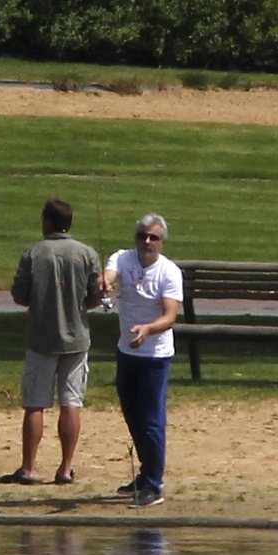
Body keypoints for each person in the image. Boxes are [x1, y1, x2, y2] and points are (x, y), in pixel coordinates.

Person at [2, 197, 103, 486]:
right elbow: (96, 297)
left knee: (35, 404)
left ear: (47, 221)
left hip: (41, 339)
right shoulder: (86, 253)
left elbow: (20, 295)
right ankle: (65, 468)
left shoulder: (34, 253)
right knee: (72, 402)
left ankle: (29, 467)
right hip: (77, 339)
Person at [102, 213, 183, 507]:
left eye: (153, 238)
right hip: (126, 351)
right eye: (142, 236)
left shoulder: (169, 272)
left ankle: (154, 484)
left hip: (154, 355)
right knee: (132, 415)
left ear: (162, 242)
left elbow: (170, 315)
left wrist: (148, 329)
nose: (146, 242)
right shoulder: (123, 259)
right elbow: (109, 274)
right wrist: (106, 283)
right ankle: (145, 472)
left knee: (151, 420)